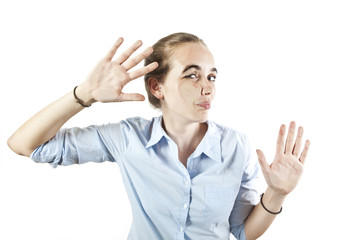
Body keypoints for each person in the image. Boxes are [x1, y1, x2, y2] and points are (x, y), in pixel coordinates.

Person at [7, 32, 310, 240]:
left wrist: (277, 193)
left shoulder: (236, 146)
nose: (207, 87)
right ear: (156, 87)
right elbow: (24, 145)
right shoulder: (128, 138)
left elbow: (243, 231)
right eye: (192, 74)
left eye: (211, 76)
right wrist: (83, 94)